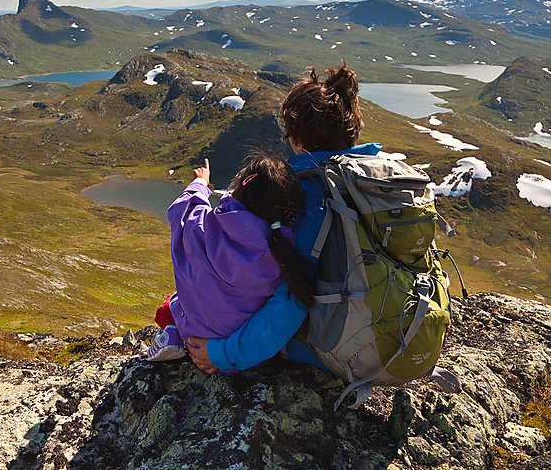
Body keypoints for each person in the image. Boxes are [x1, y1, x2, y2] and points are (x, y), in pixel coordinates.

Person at [186, 62, 383, 374]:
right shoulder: (376, 179)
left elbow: (293, 300)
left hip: (351, 345)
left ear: (296, 140)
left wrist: (221, 353)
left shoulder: (311, 198)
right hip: (399, 330)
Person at [146, 154, 313, 370]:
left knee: (177, 299)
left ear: (236, 189)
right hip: (240, 355)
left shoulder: (203, 223)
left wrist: (200, 183)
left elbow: (183, 209)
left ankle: (173, 335)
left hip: (195, 338)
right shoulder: (281, 254)